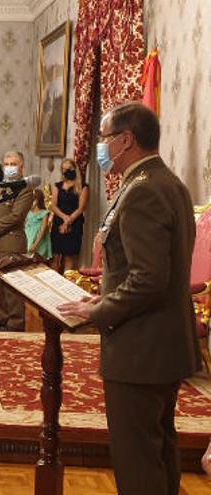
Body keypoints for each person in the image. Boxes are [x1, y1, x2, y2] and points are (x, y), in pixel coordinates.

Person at [59, 102, 201, 495]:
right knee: (159, 450)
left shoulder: (143, 191)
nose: (102, 148)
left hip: (141, 346)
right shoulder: (166, 182)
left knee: (137, 460)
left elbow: (148, 279)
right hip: (162, 342)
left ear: (126, 140)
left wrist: (98, 311)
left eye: (105, 139)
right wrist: (97, 299)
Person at [0, 151, 33, 331]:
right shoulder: (2, 187)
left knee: (12, 287)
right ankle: (2, 317)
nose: (9, 167)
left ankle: (16, 323)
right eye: (7, 163)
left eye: (13, 164)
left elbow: (17, 216)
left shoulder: (25, 189)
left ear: (21, 166)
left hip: (11, 243)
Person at [50, 158, 89, 272]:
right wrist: (64, 217)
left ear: (75, 169)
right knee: (55, 257)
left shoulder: (83, 186)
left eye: (69, 169)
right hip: (58, 222)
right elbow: (53, 205)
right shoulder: (58, 185)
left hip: (75, 223)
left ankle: (66, 286)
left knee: (70, 258)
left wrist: (68, 221)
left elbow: (81, 208)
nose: (66, 171)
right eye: (63, 169)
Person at [25, 188, 52, 260]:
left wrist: (35, 244)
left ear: (36, 201)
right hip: (29, 239)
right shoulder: (28, 213)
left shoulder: (44, 213)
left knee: (39, 259)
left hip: (39, 241)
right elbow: (25, 227)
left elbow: (43, 230)